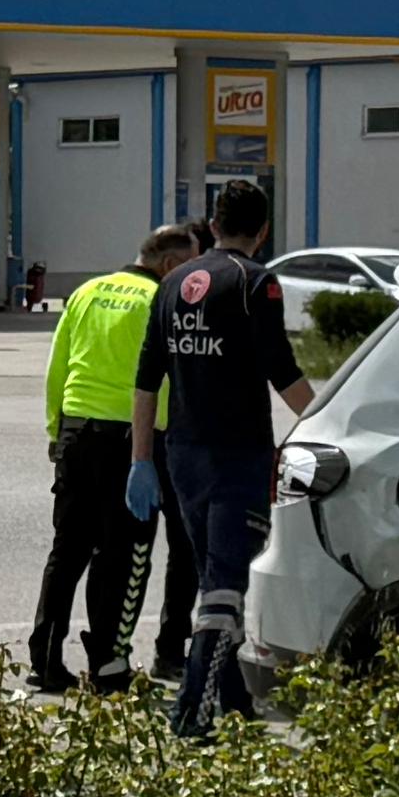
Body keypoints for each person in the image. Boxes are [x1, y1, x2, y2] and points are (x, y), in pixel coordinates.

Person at [132, 187, 317, 739]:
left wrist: (142, 460)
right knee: (226, 587)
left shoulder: (171, 284)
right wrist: (328, 423)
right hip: (238, 458)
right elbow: (282, 371)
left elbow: (146, 381)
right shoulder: (256, 283)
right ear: (263, 232)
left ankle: (237, 708)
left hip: (182, 457)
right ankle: (192, 714)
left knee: (215, 580)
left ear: (213, 225)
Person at [27, 228, 190, 690]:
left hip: (77, 429)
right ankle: (108, 664)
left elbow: (58, 366)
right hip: (132, 440)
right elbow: (171, 378)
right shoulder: (161, 300)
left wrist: (55, 430)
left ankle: (45, 660)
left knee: (67, 549)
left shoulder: (86, 291)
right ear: (169, 265)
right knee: (125, 555)